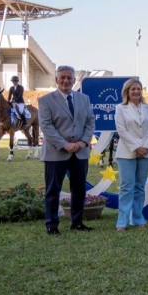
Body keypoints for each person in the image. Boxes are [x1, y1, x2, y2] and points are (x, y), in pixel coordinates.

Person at [39, 65, 95, 235]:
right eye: (62, 77)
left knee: (79, 189)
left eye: (69, 78)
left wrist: (83, 142)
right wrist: (65, 144)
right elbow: (46, 126)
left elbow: (90, 122)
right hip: (56, 153)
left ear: (74, 80)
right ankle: (51, 225)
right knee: (53, 190)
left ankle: (77, 222)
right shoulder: (45, 100)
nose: (66, 81)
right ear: (56, 79)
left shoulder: (84, 99)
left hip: (80, 152)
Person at [113, 78, 148, 232]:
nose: (136, 92)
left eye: (138, 89)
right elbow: (122, 131)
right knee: (126, 187)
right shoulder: (120, 108)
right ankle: (122, 221)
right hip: (127, 153)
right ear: (127, 91)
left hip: (147, 152)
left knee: (140, 187)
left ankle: (137, 218)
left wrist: (145, 147)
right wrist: (136, 147)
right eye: (133, 89)